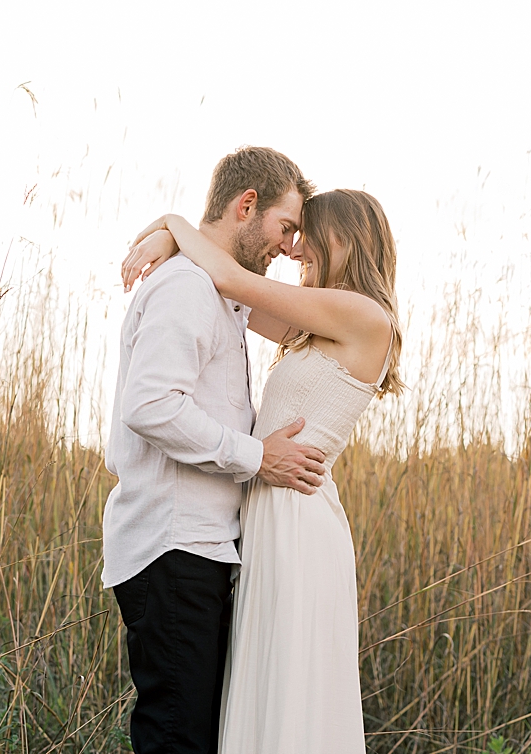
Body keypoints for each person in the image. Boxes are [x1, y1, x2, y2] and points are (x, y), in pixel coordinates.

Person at [123, 187, 403, 754]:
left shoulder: (362, 315)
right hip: (268, 517)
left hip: (299, 523)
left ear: (343, 239)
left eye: (307, 237)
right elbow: (232, 298)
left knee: (289, 695)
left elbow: (229, 279)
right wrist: (173, 241)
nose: (295, 251)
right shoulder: (318, 324)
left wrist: (173, 222)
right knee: (262, 690)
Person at [101, 146, 330, 754]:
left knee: (192, 736)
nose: (288, 247)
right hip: (174, 545)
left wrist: (174, 231)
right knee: (179, 740)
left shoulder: (216, 290)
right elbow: (150, 405)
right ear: (246, 205)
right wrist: (260, 458)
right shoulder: (188, 290)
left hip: (198, 548)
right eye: (285, 228)